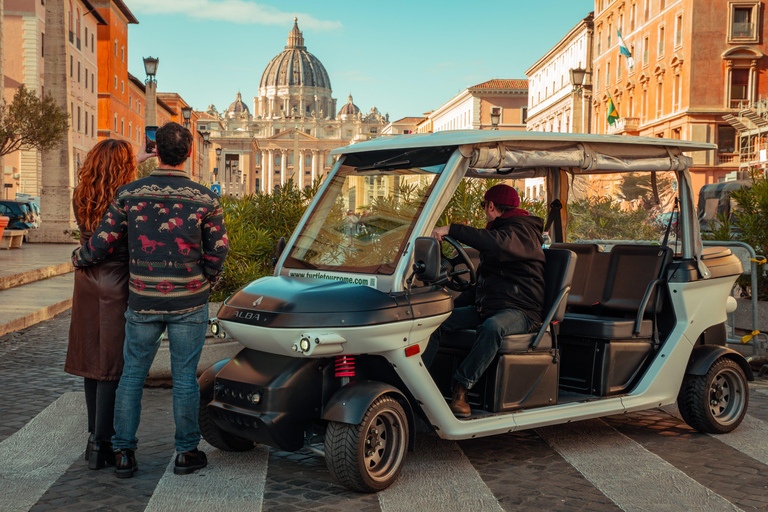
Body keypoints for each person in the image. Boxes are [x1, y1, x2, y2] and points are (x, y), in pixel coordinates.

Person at [72, 122, 229, 478]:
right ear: (189, 154)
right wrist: (208, 278)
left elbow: (102, 241)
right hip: (189, 300)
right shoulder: (206, 198)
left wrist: (78, 259)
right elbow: (218, 249)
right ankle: (186, 452)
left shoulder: (128, 194)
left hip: (142, 300)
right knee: (186, 378)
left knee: (131, 376)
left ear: (156, 151)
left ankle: (124, 453)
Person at [67, 139, 153, 470]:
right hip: (118, 280)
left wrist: (137, 155)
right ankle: (106, 441)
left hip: (87, 282)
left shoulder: (81, 194)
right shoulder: (128, 199)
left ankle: (95, 440)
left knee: (92, 361)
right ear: (123, 168)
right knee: (112, 366)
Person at [427, 184, 545, 418]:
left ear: (491, 206)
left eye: (484, 206)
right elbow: (481, 281)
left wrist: (452, 229)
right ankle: (422, 384)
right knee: (434, 322)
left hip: (521, 311)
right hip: (489, 306)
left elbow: (495, 242)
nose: (484, 211)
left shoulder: (522, 231)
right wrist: (449, 306)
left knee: (492, 327)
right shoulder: (502, 232)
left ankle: (461, 387)